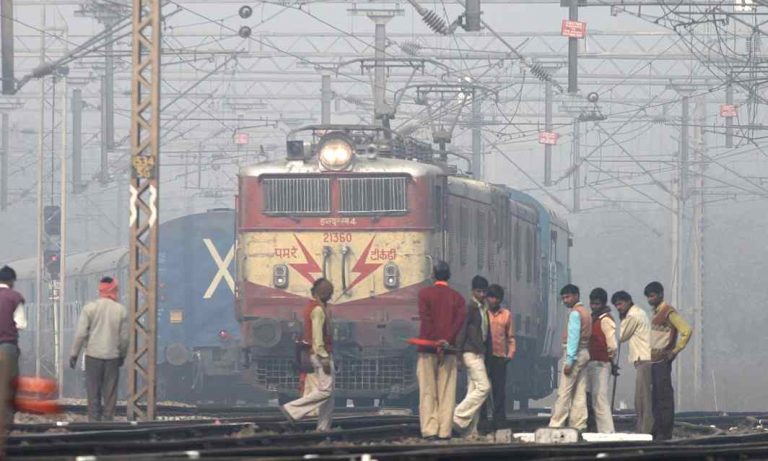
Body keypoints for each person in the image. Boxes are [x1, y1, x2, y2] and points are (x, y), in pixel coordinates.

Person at [416, 261, 466, 440]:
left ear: (433, 274)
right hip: (449, 349)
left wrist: (436, 341)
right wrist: (445, 341)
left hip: (428, 348)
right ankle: (445, 430)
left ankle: (429, 429)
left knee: (428, 389)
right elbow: (458, 323)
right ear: (449, 276)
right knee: (447, 391)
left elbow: (426, 319)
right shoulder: (458, 298)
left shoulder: (424, 294)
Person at [69, 276, 129, 422]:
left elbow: (81, 334)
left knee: (93, 390)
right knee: (110, 393)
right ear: (114, 289)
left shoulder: (89, 308)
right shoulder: (121, 310)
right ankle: (108, 420)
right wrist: (122, 355)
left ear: (100, 289)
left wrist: (74, 354)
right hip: (112, 357)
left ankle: (94, 421)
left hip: (93, 356)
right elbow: (125, 338)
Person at [281, 278, 335, 431]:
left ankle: (323, 429)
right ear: (324, 294)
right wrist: (323, 357)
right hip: (321, 355)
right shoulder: (318, 310)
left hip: (320, 354)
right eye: (329, 292)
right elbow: (317, 337)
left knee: (329, 398)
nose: (331, 296)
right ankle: (292, 409)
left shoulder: (315, 308)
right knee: (326, 391)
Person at [644, 281, 692, 441]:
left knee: (664, 397)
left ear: (660, 295)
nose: (650, 299)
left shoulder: (668, 312)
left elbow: (686, 330)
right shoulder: (656, 312)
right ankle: (658, 431)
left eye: (652, 296)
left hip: (662, 361)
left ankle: (665, 432)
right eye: (648, 297)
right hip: (654, 361)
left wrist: (675, 351)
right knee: (656, 397)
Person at [549, 284, 591, 430]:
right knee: (580, 392)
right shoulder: (586, 312)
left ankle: (556, 424)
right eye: (563, 298)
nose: (565, 301)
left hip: (575, 354)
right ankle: (579, 424)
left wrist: (569, 361)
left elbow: (574, 338)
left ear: (576, 296)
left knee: (564, 392)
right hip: (585, 353)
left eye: (567, 297)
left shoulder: (575, 314)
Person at [453, 276, 491, 437]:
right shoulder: (470, 307)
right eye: (478, 291)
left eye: (484, 291)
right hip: (470, 352)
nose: (482, 294)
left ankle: (470, 431)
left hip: (478, 352)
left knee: (473, 391)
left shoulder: (483, 308)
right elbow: (461, 331)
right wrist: (458, 354)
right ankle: (457, 416)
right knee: (484, 387)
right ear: (472, 291)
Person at [611, 290, 653, 434]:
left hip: (644, 359)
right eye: (616, 305)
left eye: (620, 304)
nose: (618, 307)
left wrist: (622, 318)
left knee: (643, 399)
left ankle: (645, 430)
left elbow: (622, 336)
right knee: (641, 398)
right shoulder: (639, 312)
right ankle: (643, 428)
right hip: (644, 359)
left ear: (628, 301)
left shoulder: (632, 315)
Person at [482, 284, 515, 429]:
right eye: (491, 297)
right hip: (484, 356)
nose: (493, 300)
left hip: (500, 356)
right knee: (483, 390)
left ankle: (499, 421)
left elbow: (511, 336)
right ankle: (482, 421)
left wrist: (510, 353)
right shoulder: (483, 313)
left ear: (500, 299)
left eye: (496, 298)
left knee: (499, 391)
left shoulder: (506, 314)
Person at [585, 288, 616, 433]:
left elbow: (612, 345)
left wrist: (609, 359)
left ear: (603, 304)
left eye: (597, 304)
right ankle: (598, 430)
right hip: (592, 363)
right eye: (592, 303)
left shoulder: (605, 320)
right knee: (593, 399)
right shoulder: (594, 319)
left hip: (601, 364)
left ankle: (607, 431)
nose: (594, 306)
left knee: (600, 399)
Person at [0, 265, 26, 427]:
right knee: (8, 387)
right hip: (7, 347)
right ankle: (6, 424)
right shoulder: (14, 297)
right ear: (11, 281)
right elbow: (21, 324)